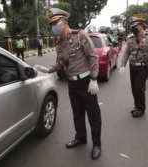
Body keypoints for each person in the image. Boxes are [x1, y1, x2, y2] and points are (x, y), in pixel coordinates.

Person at [34, 8, 102, 160]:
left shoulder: (80, 35)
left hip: (86, 83)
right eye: (51, 25)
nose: (53, 28)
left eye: (55, 24)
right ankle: (81, 138)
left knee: (93, 116)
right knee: (77, 114)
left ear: (64, 23)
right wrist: (48, 69)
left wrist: (94, 79)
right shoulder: (59, 43)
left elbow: (93, 57)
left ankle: (97, 144)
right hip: (72, 84)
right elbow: (59, 63)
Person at [119, 17, 148, 118]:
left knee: (138, 87)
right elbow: (126, 52)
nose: (133, 28)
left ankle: (141, 109)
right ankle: (137, 106)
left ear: (141, 26)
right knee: (134, 88)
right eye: (132, 26)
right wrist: (122, 65)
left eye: (135, 26)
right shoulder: (131, 38)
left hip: (143, 67)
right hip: (132, 67)